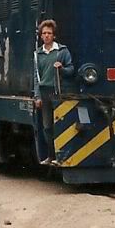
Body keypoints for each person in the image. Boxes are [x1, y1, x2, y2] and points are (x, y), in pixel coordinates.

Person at [33, 19, 74, 166]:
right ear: (40, 36)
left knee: (59, 126)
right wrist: (37, 96)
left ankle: (59, 156)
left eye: (49, 33)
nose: (46, 36)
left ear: (54, 35)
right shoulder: (38, 54)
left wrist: (62, 68)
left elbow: (71, 69)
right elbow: (36, 77)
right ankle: (51, 156)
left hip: (58, 93)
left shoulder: (62, 51)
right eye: (44, 33)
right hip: (44, 93)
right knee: (47, 126)